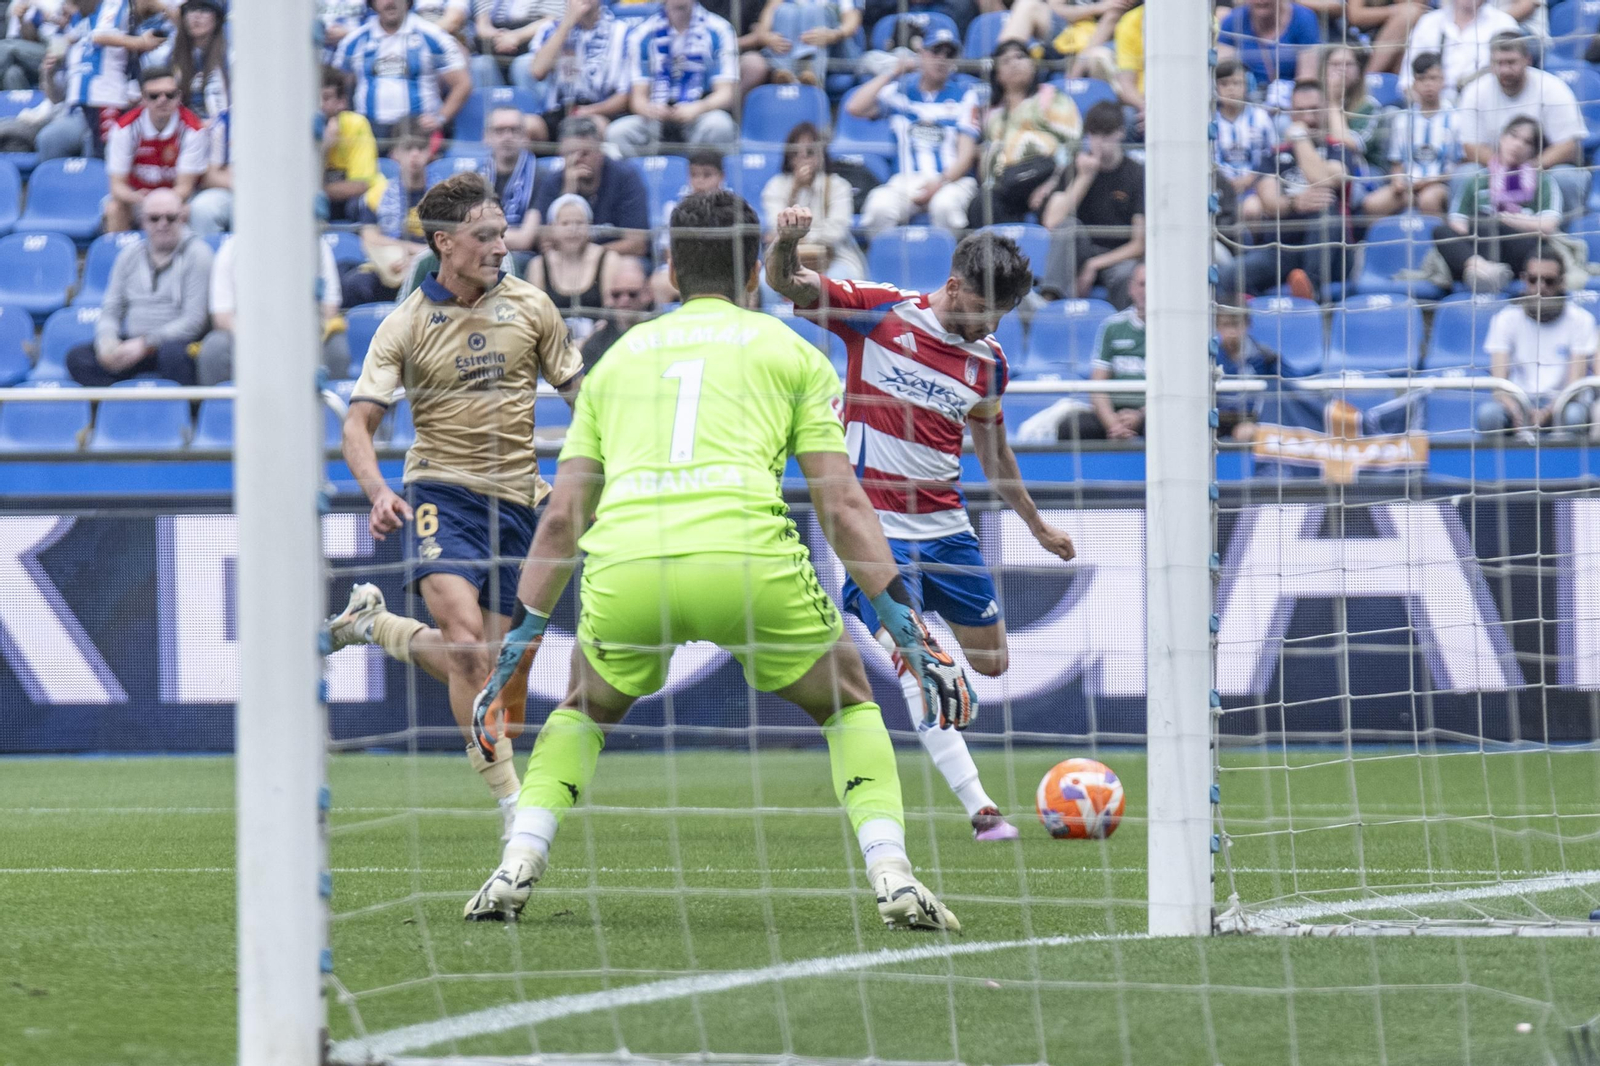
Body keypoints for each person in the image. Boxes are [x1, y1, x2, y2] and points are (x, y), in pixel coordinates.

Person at [461, 189, 970, 927]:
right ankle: (891, 873)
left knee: (584, 708)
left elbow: (565, 515)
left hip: (628, 563)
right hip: (745, 560)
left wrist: (517, 643)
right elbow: (843, 506)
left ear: (670, 271)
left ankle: (518, 863)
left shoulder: (615, 361)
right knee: (849, 700)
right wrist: (904, 623)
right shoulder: (791, 350)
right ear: (754, 276)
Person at [766, 209, 1078, 842]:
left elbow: (993, 451)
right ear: (955, 285)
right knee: (920, 660)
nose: (990, 325)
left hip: (945, 526)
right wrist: (788, 242)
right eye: (983, 309)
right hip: (873, 526)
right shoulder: (881, 313)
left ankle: (928, 657)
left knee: (990, 664)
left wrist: (1038, 526)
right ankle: (981, 808)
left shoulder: (988, 362)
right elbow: (788, 284)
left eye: (1001, 316)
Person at [329, 171, 585, 842]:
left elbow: (585, 399)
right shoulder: (405, 324)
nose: (501, 245)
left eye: (501, 232)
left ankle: (374, 626)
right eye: (485, 235)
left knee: (496, 666)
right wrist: (380, 491)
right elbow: (358, 426)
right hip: (440, 494)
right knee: (469, 648)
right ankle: (513, 812)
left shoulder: (533, 307)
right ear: (445, 243)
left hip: (522, 504)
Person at [1217, 80, 1357, 303]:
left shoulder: (1338, 149)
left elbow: (1324, 179)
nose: (1309, 117)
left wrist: (1300, 140)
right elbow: (1269, 202)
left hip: (1332, 255)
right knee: (1227, 276)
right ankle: (1255, 317)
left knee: (1325, 216)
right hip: (1285, 250)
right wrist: (1295, 203)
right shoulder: (1274, 155)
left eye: (1314, 109)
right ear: (1291, 113)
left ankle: (1310, 290)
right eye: (1301, 111)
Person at [66, 187, 212, 386]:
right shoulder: (129, 256)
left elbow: (194, 322)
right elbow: (111, 309)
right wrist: (107, 341)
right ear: (142, 220)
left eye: (170, 218)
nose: (162, 224)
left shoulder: (198, 254)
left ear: (182, 218)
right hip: (133, 343)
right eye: (154, 218)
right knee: (78, 358)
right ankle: (117, 410)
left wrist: (147, 343)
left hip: (176, 344)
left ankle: (183, 413)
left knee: (174, 355)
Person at [846, 29, 980, 238]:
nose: (942, 59)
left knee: (945, 206)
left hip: (950, 181)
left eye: (949, 54)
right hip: (907, 180)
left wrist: (940, 183)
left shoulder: (965, 96)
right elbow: (854, 107)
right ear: (921, 54)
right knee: (878, 208)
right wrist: (893, 72)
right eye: (936, 51)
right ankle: (887, 268)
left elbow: (966, 156)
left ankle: (951, 269)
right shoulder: (900, 91)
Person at [1457, 32, 1588, 217]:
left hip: (1543, 166)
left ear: (1527, 59)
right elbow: (1470, 147)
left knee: (1566, 177)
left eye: (1511, 62)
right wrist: (1503, 167)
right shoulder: (1475, 91)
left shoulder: (1552, 88)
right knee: (1465, 174)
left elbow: (1568, 146)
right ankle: (1467, 236)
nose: (1504, 70)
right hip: (1494, 164)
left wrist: (1529, 168)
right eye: (1498, 63)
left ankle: (1561, 237)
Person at [1431, 115, 1560, 292]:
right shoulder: (1478, 180)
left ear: (1534, 150)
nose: (1518, 144)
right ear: (1501, 138)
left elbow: (1547, 226)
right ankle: (1483, 270)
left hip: (1520, 249)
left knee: (1485, 218)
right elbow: (1457, 223)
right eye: (1513, 136)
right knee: (1442, 231)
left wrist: (1503, 219)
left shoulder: (1543, 181)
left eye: (1527, 142)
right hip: (1478, 245)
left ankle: (1479, 274)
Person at [199, 234, 350, 385]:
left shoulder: (317, 246)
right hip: (246, 337)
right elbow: (222, 316)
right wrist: (259, 339)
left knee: (337, 348)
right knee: (215, 347)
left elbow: (329, 307)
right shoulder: (231, 248)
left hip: (304, 335)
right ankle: (223, 408)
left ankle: (328, 406)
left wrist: (292, 336)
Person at [1037, 100, 1144, 309]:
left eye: (1105, 135)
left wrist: (1094, 265)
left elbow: (1139, 244)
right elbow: (1052, 221)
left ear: (1120, 133)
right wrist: (1084, 178)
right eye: (1093, 135)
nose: (1098, 142)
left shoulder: (1136, 174)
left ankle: (1122, 328)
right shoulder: (1076, 168)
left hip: (1117, 256)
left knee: (1128, 273)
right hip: (1081, 250)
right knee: (1068, 227)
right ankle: (1048, 307)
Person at [1479, 253, 1595, 434]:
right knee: (1488, 415)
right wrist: (1518, 411)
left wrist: (1547, 412)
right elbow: (1499, 387)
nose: (1540, 288)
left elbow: (1574, 387)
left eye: (1549, 281)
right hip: (1519, 403)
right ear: (1524, 279)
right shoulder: (1505, 319)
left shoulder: (1581, 320)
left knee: (1575, 417)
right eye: (1533, 280)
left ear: (1562, 282)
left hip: (1563, 403)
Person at [607, 0, 739, 158]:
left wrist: (698, 108)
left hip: (700, 113)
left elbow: (726, 93)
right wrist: (650, 109)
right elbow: (638, 99)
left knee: (720, 125)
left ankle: (705, 178)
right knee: (617, 133)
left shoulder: (719, 29)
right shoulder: (642, 34)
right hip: (657, 116)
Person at [38, 0, 163, 161]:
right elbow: (56, 97)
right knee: (49, 139)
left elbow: (101, 36)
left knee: (98, 154)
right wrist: (48, 72)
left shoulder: (116, 9)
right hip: (75, 110)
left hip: (106, 99)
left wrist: (140, 42)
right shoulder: (74, 32)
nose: (67, 6)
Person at [977, 40, 1080, 228]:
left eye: (1020, 57)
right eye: (1006, 60)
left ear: (1033, 66)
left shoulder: (1051, 97)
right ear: (997, 75)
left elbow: (1072, 145)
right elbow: (988, 162)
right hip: (1008, 184)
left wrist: (1052, 183)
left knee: (1054, 204)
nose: (1014, 63)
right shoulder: (992, 114)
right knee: (980, 205)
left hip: (1049, 175)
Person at [334, 0, 471, 140]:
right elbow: (337, 85)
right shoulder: (353, 41)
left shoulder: (433, 36)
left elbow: (462, 84)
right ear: (372, 3)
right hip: (369, 131)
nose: (390, 2)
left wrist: (440, 118)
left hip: (418, 131)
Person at [103, 66, 208, 233]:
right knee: (114, 208)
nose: (162, 100)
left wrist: (159, 205)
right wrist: (137, 198)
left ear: (179, 97)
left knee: (190, 211)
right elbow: (117, 186)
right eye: (154, 96)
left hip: (175, 201)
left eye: (170, 95)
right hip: (136, 199)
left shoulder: (192, 130)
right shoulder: (124, 128)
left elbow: (185, 188)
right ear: (143, 98)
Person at [530, 115, 650, 257]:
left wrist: (590, 258)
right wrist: (568, 194)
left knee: (629, 269)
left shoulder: (625, 177)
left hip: (616, 260)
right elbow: (546, 245)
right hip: (566, 264)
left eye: (585, 153)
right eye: (570, 154)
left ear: (600, 152)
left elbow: (637, 245)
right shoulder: (553, 182)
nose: (577, 159)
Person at [761, 123, 867, 280]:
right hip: (786, 260)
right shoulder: (776, 185)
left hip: (834, 259)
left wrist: (802, 237)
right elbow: (774, 224)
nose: (803, 158)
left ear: (821, 155)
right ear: (788, 157)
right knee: (765, 282)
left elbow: (837, 231)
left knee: (837, 280)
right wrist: (795, 190)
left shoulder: (838, 185)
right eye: (795, 153)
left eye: (810, 152)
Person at [343, 121, 433, 307]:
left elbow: (455, 240)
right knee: (354, 284)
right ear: (395, 153)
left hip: (431, 267)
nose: (415, 154)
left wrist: (417, 260)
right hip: (389, 265)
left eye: (421, 148)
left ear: (429, 152)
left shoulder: (445, 193)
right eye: (408, 148)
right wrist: (405, 253)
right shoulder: (377, 194)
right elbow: (370, 238)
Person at [1363, 51, 1461, 218]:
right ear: (1414, 83)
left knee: (1428, 200)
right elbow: (1396, 162)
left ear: (1443, 81)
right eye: (1422, 79)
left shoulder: (1455, 119)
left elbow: (1458, 166)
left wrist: (1429, 182)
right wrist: (1397, 181)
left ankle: (1434, 242)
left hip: (1439, 186)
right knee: (1372, 204)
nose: (1428, 85)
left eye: (1433, 78)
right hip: (1408, 187)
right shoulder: (1402, 119)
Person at [1057, 261, 1147, 441]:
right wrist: (1113, 424)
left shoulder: (1173, 333)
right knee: (1071, 426)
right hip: (1113, 413)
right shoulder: (1112, 326)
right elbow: (1097, 385)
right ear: (1131, 287)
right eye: (1142, 284)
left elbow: (1175, 389)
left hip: (1155, 414)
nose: (1146, 291)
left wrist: (1141, 416)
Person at [523, 0, 631, 145]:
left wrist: (588, 111)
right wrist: (567, 24)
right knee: (526, 126)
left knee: (593, 126)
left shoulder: (622, 32)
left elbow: (625, 96)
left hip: (600, 111)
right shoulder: (550, 29)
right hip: (560, 111)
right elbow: (537, 71)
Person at [524, 193, 621, 344]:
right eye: (565, 223)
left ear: (590, 225)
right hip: (552, 345)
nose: (573, 229)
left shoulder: (609, 259)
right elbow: (535, 317)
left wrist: (587, 342)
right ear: (552, 227)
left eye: (579, 223)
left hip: (598, 342)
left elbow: (610, 314)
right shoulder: (538, 265)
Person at [1399, 0, 1519, 104]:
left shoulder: (1504, 23)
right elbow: (1407, 82)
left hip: (1486, 107)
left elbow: (1515, 75)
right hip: (1435, 113)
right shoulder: (1428, 23)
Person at [1212, 58, 1276, 224]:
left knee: (1251, 209)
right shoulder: (1209, 121)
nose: (1231, 89)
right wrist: (1225, 182)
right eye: (1224, 84)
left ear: (1247, 86)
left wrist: (1250, 179)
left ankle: (1251, 249)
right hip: (1217, 188)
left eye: (1237, 83)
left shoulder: (1260, 118)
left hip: (1254, 188)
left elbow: (1270, 154)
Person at [745, 0, 862, 87]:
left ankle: (811, 73)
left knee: (814, 10)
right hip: (790, 52)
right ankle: (785, 73)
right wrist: (768, 37)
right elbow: (765, 23)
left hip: (837, 52)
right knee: (785, 11)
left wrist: (833, 35)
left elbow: (851, 23)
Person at [320, 65, 382, 224]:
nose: (319, 105)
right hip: (326, 197)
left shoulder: (356, 124)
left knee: (357, 205)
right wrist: (323, 147)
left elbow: (361, 185)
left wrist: (315, 190)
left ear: (341, 102)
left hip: (352, 203)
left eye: (326, 98)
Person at [1215, 0, 1322, 89]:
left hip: (1291, 103)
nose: (1261, 1)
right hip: (1245, 103)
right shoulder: (1232, 20)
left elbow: (1307, 79)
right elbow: (1223, 73)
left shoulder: (1304, 19)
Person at [1213, 304, 1278, 439]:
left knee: (1246, 434)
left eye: (1236, 325)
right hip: (1216, 421)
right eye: (1226, 325)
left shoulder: (1265, 357)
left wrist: (1259, 424)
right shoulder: (1210, 359)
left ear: (1247, 325)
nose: (1231, 331)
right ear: (1217, 327)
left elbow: (1286, 389)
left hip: (1251, 421)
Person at [578, 254, 652, 368]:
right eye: (616, 294)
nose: (624, 300)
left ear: (647, 295)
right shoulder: (598, 340)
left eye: (632, 294)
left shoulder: (661, 331)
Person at [1320, 44, 1386, 171]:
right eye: (1335, 64)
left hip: (1359, 170)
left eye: (1348, 64)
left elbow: (1347, 144)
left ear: (1358, 72)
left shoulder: (1369, 106)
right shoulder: (1312, 101)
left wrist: (1333, 103)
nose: (1341, 70)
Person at [469, 0, 563, 89]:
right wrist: (500, 37)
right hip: (495, 45)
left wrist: (516, 37)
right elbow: (482, 25)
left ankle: (531, 106)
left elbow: (552, 21)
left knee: (522, 66)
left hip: (535, 46)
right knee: (479, 66)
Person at [484, 106, 539, 252]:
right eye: (499, 131)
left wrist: (479, 235)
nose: (507, 136)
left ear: (525, 136)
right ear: (487, 137)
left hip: (522, 257)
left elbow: (525, 239)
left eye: (514, 130)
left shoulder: (541, 176)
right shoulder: (476, 178)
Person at [169, 0, 227, 119]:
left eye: (204, 9)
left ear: (217, 18)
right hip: (186, 129)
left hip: (221, 125)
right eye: (191, 9)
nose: (197, 16)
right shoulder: (169, 53)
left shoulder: (229, 54)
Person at [0, 0, 71, 91]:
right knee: (12, 73)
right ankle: (23, 105)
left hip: (61, 51)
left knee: (7, 46)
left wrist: (55, 19)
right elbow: (31, 39)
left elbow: (73, 22)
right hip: (38, 52)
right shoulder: (25, 2)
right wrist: (22, 19)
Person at [1344, 0, 1429, 75]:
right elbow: (1355, 16)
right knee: (1408, 14)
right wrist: (1393, 11)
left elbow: (1418, 7)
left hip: (1395, 39)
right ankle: (1369, 79)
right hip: (1362, 37)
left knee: (1411, 22)